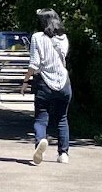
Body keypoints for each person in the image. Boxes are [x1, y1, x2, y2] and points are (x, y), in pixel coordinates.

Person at [30, 9, 73, 164]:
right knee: (62, 118)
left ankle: (40, 141)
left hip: (44, 82)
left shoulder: (37, 37)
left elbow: (34, 64)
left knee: (41, 118)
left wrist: (25, 81)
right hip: (64, 82)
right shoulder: (64, 38)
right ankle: (63, 154)